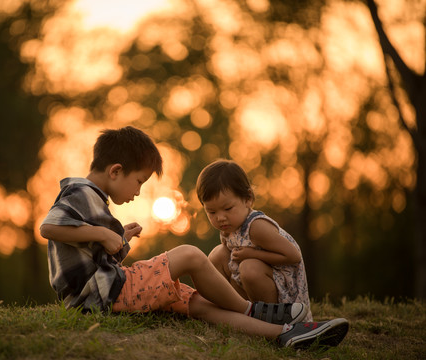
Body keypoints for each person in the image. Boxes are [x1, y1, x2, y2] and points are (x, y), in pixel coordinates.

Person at [40, 126, 348, 349]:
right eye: (138, 182)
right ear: (115, 171)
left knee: (199, 303)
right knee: (189, 254)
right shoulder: (80, 191)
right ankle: (251, 309)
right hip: (101, 295)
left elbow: (92, 256)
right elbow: (49, 228)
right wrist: (103, 233)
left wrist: (119, 241)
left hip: (102, 295)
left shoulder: (95, 200)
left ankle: (283, 333)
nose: (137, 192)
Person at [196, 159, 313, 321]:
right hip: (249, 286)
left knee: (249, 268)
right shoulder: (229, 227)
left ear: (248, 199)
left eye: (228, 208)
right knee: (217, 255)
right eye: (211, 212)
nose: (220, 218)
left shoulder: (257, 227)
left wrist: (252, 254)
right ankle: (224, 311)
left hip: (282, 294)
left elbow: (293, 256)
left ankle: (274, 321)